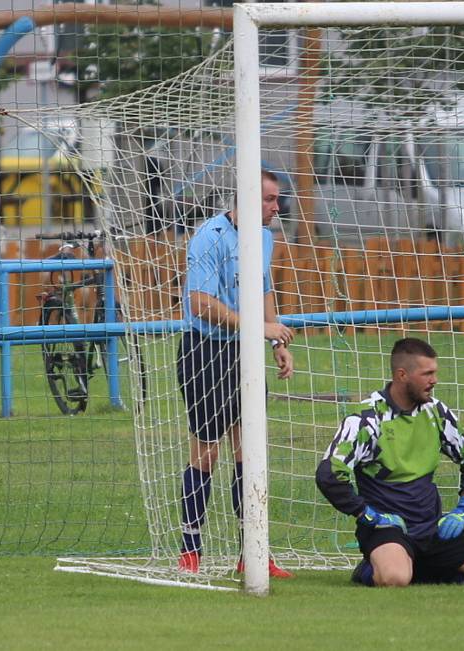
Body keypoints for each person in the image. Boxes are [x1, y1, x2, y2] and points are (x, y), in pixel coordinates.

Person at [315, 337, 464, 587]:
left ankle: (420, 564)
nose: (434, 380)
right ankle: (371, 568)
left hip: (433, 527)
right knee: (395, 578)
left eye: (435, 373)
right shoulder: (367, 418)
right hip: (387, 528)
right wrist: (367, 514)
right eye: (427, 374)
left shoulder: (435, 411)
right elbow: (329, 474)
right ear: (402, 375)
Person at [177, 170, 295, 578]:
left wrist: (277, 342)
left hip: (243, 353)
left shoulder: (264, 237)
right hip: (205, 351)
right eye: (268, 200)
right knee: (207, 454)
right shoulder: (209, 237)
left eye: (277, 200)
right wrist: (258, 329)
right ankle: (190, 551)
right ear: (245, 198)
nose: (275, 208)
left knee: (250, 452)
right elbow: (200, 303)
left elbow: (263, 289)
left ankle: (254, 553)